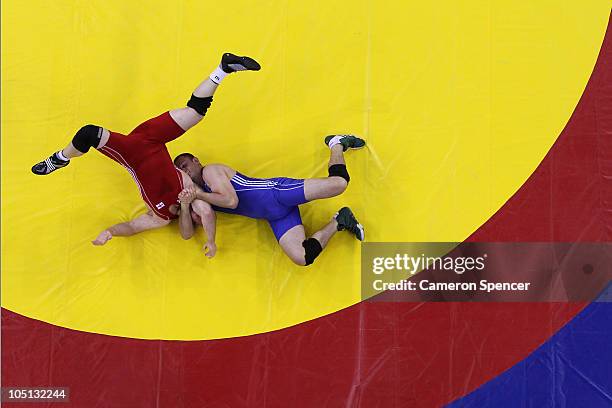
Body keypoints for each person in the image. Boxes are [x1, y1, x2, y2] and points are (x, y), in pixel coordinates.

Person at [31, 53, 261, 246]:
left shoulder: (161, 217)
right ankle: (224, 68)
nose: (197, 216)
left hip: (133, 154)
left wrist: (111, 232)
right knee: (195, 113)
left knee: (90, 133)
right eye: (199, 215)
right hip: (154, 138)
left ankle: (60, 158)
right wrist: (207, 232)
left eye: (196, 217)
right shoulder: (192, 189)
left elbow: (134, 227)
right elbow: (205, 212)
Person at [174, 134, 366, 265]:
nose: (186, 171)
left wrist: (198, 195)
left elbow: (231, 201)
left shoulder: (210, 171)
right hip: (277, 215)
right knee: (302, 257)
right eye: (181, 171)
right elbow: (188, 232)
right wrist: (184, 206)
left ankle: (336, 143)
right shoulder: (199, 194)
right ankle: (340, 220)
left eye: (185, 165)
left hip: (278, 193)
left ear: (196, 161)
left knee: (339, 184)